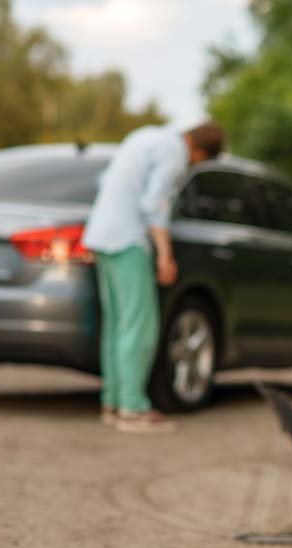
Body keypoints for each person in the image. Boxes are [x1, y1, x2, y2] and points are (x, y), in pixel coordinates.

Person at [82, 122, 225, 433]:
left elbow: (104, 179)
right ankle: (132, 409)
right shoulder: (174, 152)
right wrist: (164, 254)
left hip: (100, 235)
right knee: (140, 327)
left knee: (117, 326)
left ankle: (113, 402)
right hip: (128, 240)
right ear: (200, 151)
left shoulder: (143, 136)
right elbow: (154, 203)